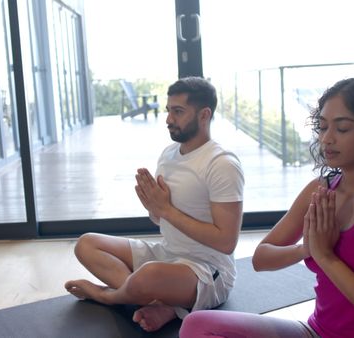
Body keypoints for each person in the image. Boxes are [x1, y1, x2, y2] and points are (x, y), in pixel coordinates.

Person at [179, 75, 354, 338]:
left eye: (342, 128)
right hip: (315, 332)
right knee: (197, 326)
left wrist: (326, 257)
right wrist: (306, 249)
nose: (327, 139)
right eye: (323, 128)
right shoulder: (321, 189)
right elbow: (261, 258)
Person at [64, 76, 245, 332]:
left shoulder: (222, 164)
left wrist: (166, 210)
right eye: (169, 110)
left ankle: (108, 296)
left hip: (207, 270)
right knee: (87, 244)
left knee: (148, 275)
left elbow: (227, 242)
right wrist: (154, 209)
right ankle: (161, 303)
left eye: (178, 112)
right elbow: (161, 220)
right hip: (167, 254)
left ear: (204, 115)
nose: (169, 119)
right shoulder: (168, 155)